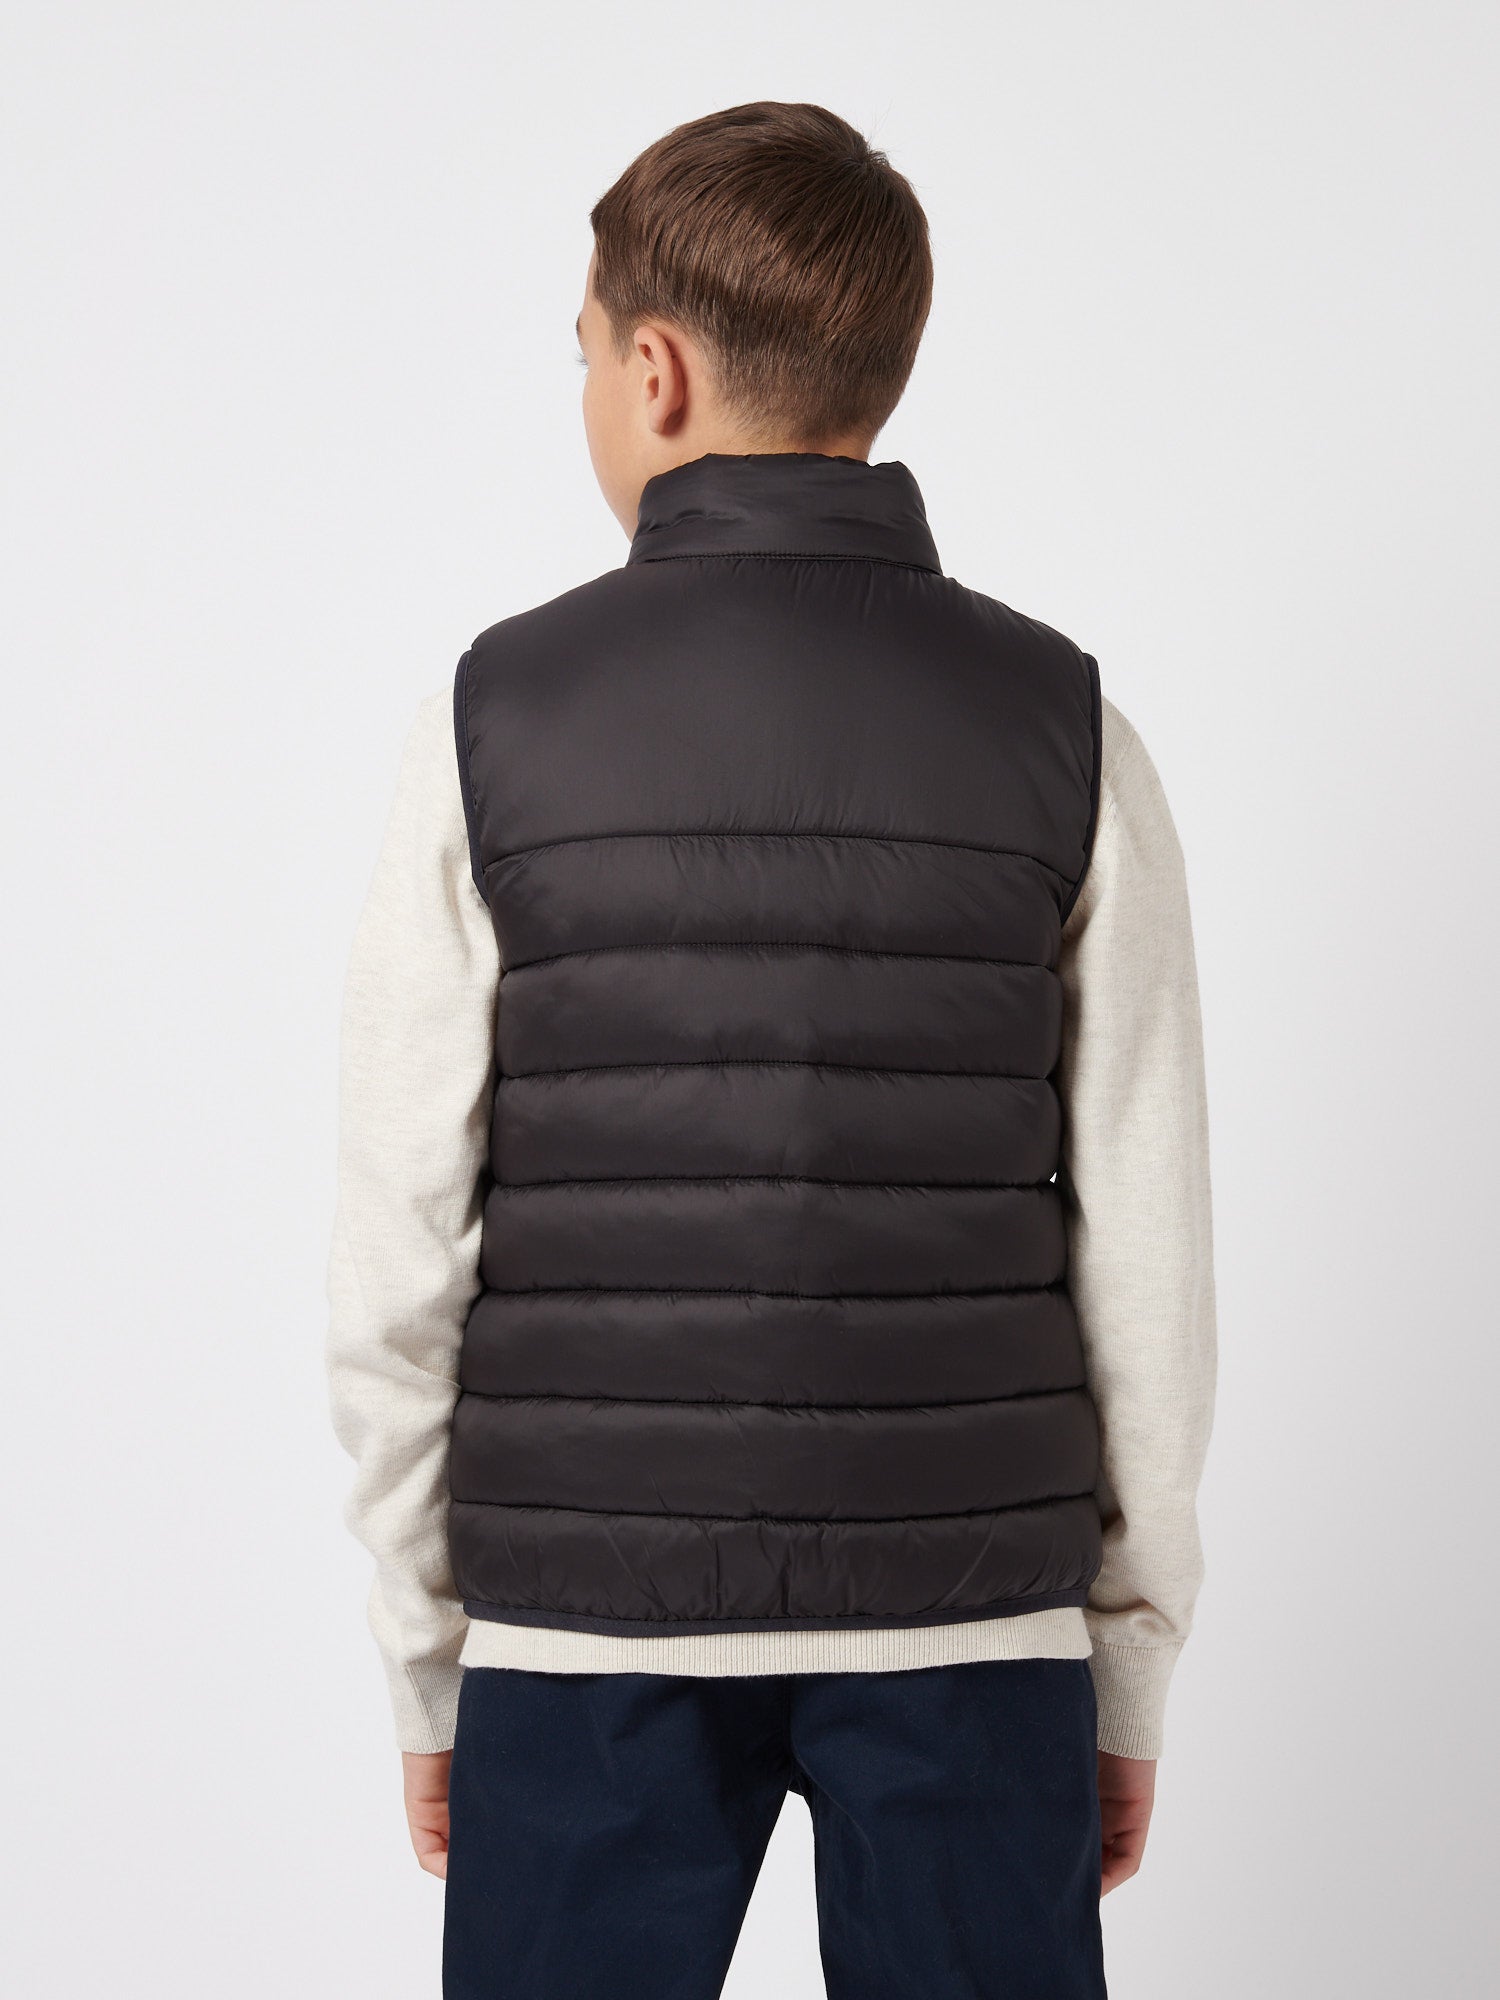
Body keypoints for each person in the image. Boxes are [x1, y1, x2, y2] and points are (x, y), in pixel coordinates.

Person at [327, 99, 1216, 2000]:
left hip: (585, 1631)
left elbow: (398, 1253)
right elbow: (1150, 1258)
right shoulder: (1067, 727)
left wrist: (430, 1654)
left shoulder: (493, 722)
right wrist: (1125, 1658)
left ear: (653, 371)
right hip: (976, 1630)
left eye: (582, 351)